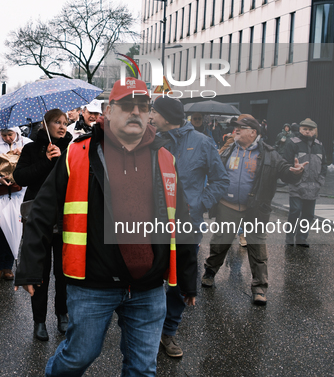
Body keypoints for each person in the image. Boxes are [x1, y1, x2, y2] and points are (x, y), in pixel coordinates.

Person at [15, 78, 197, 376]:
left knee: (142, 368)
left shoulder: (166, 159)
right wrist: (30, 268)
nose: (136, 112)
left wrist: (188, 278)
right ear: (109, 111)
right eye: (127, 106)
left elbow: (183, 220)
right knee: (77, 358)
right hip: (92, 284)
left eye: (143, 106)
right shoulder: (77, 154)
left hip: (148, 287)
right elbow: (41, 212)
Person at [150, 97, 229, 358]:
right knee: (148, 275)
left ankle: (169, 331)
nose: (150, 115)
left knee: (178, 279)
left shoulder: (203, 143)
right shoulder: (151, 140)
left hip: (187, 226)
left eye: (154, 111)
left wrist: (198, 205)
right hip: (153, 225)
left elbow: (220, 181)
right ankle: (145, 327)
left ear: (166, 116)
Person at [202, 114, 306, 305]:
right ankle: (209, 272)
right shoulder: (228, 149)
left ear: (253, 132)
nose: (237, 130)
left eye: (241, 127)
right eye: (236, 127)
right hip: (227, 205)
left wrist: (296, 172)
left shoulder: (269, 153)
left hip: (255, 209)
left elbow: (285, 172)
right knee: (219, 242)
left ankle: (259, 288)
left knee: (257, 248)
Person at [13, 109, 72, 341]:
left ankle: (62, 315)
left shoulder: (71, 148)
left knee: (63, 271)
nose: (62, 126)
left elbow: (76, 178)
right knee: (39, 271)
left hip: (64, 216)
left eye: (65, 123)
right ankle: (39, 321)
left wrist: (61, 160)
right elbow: (21, 177)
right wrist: (46, 161)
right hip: (37, 217)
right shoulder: (30, 149)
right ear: (45, 125)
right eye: (57, 122)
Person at [0, 128, 31, 284]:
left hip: (20, 193)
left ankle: (8, 267)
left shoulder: (26, 143)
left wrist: (23, 152)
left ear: (16, 132)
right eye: (4, 135)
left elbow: (36, 164)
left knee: (14, 227)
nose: (8, 138)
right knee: (0, 228)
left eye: (10, 135)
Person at [283, 119, 327, 247]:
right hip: (297, 184)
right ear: (300, 129)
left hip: (313, 186)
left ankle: (302, 238)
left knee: (308, 214)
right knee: (295, 211)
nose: (307, 131)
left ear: (315, 131)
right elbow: (286, 162)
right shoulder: (293, 143)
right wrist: (292, 176)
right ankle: (290, 237)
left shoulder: (319, 145)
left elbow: (324, 164)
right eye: (305, 129)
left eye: (310, 129)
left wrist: (320, 181)